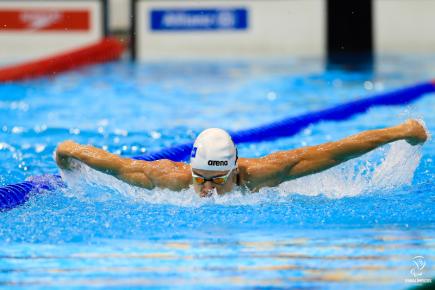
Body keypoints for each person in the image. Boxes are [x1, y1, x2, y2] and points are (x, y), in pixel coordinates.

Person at [56, 119, 428, 197]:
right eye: (202, 179)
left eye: (218, 181)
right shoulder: (170, 178)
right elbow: (115, 163)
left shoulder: (263, 173)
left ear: (235, 170)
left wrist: (398, 132)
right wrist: (69, 152)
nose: (209, 189)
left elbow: (333, 151)